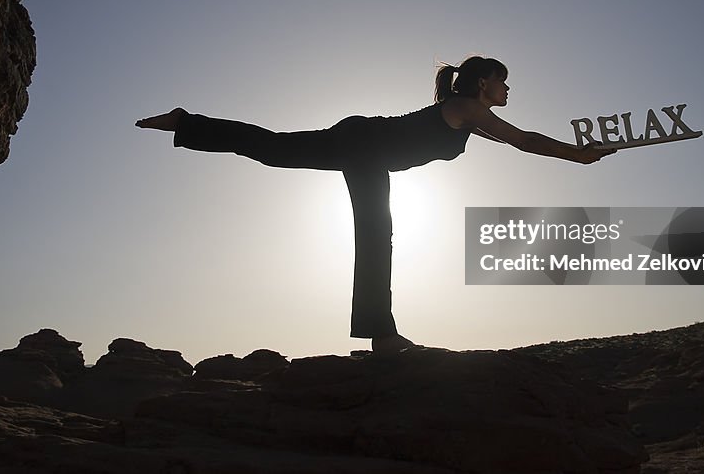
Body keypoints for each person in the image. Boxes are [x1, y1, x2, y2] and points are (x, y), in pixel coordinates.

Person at [136, 56, 615, 354]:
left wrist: (579, 153)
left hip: (366, 147)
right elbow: (525, 139)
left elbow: (518, 141)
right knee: (368, 230)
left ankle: (188, 123)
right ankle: (382, 336)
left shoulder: (472, 117)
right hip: (366, 143)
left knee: (279, 153)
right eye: (504, 82)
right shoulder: (471, 109)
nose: (508, 91)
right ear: (484, 83)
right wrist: (578, 155)